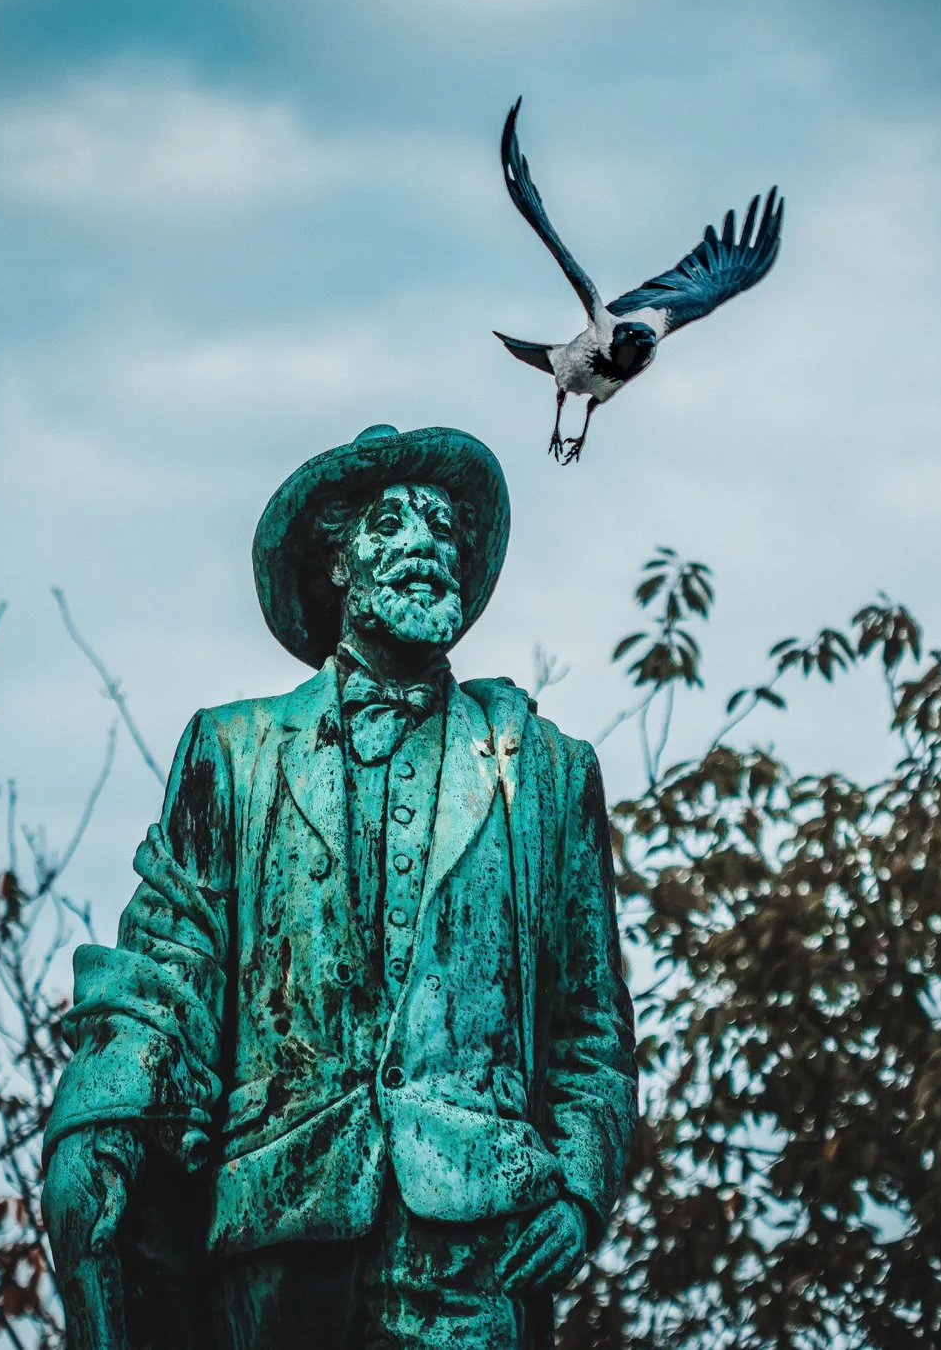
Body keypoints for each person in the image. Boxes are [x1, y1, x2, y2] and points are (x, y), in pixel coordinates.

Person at [42, 424, 636, 1350]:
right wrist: (106, 1111)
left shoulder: (548, 774)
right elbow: (165, 975)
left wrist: (581, 1186)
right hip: (278, 1230)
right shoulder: (233, 752)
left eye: (445, 530)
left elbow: (593, 1025)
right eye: (391, 522)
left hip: (477, 1246)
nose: (426, 545)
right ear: (337, 562)